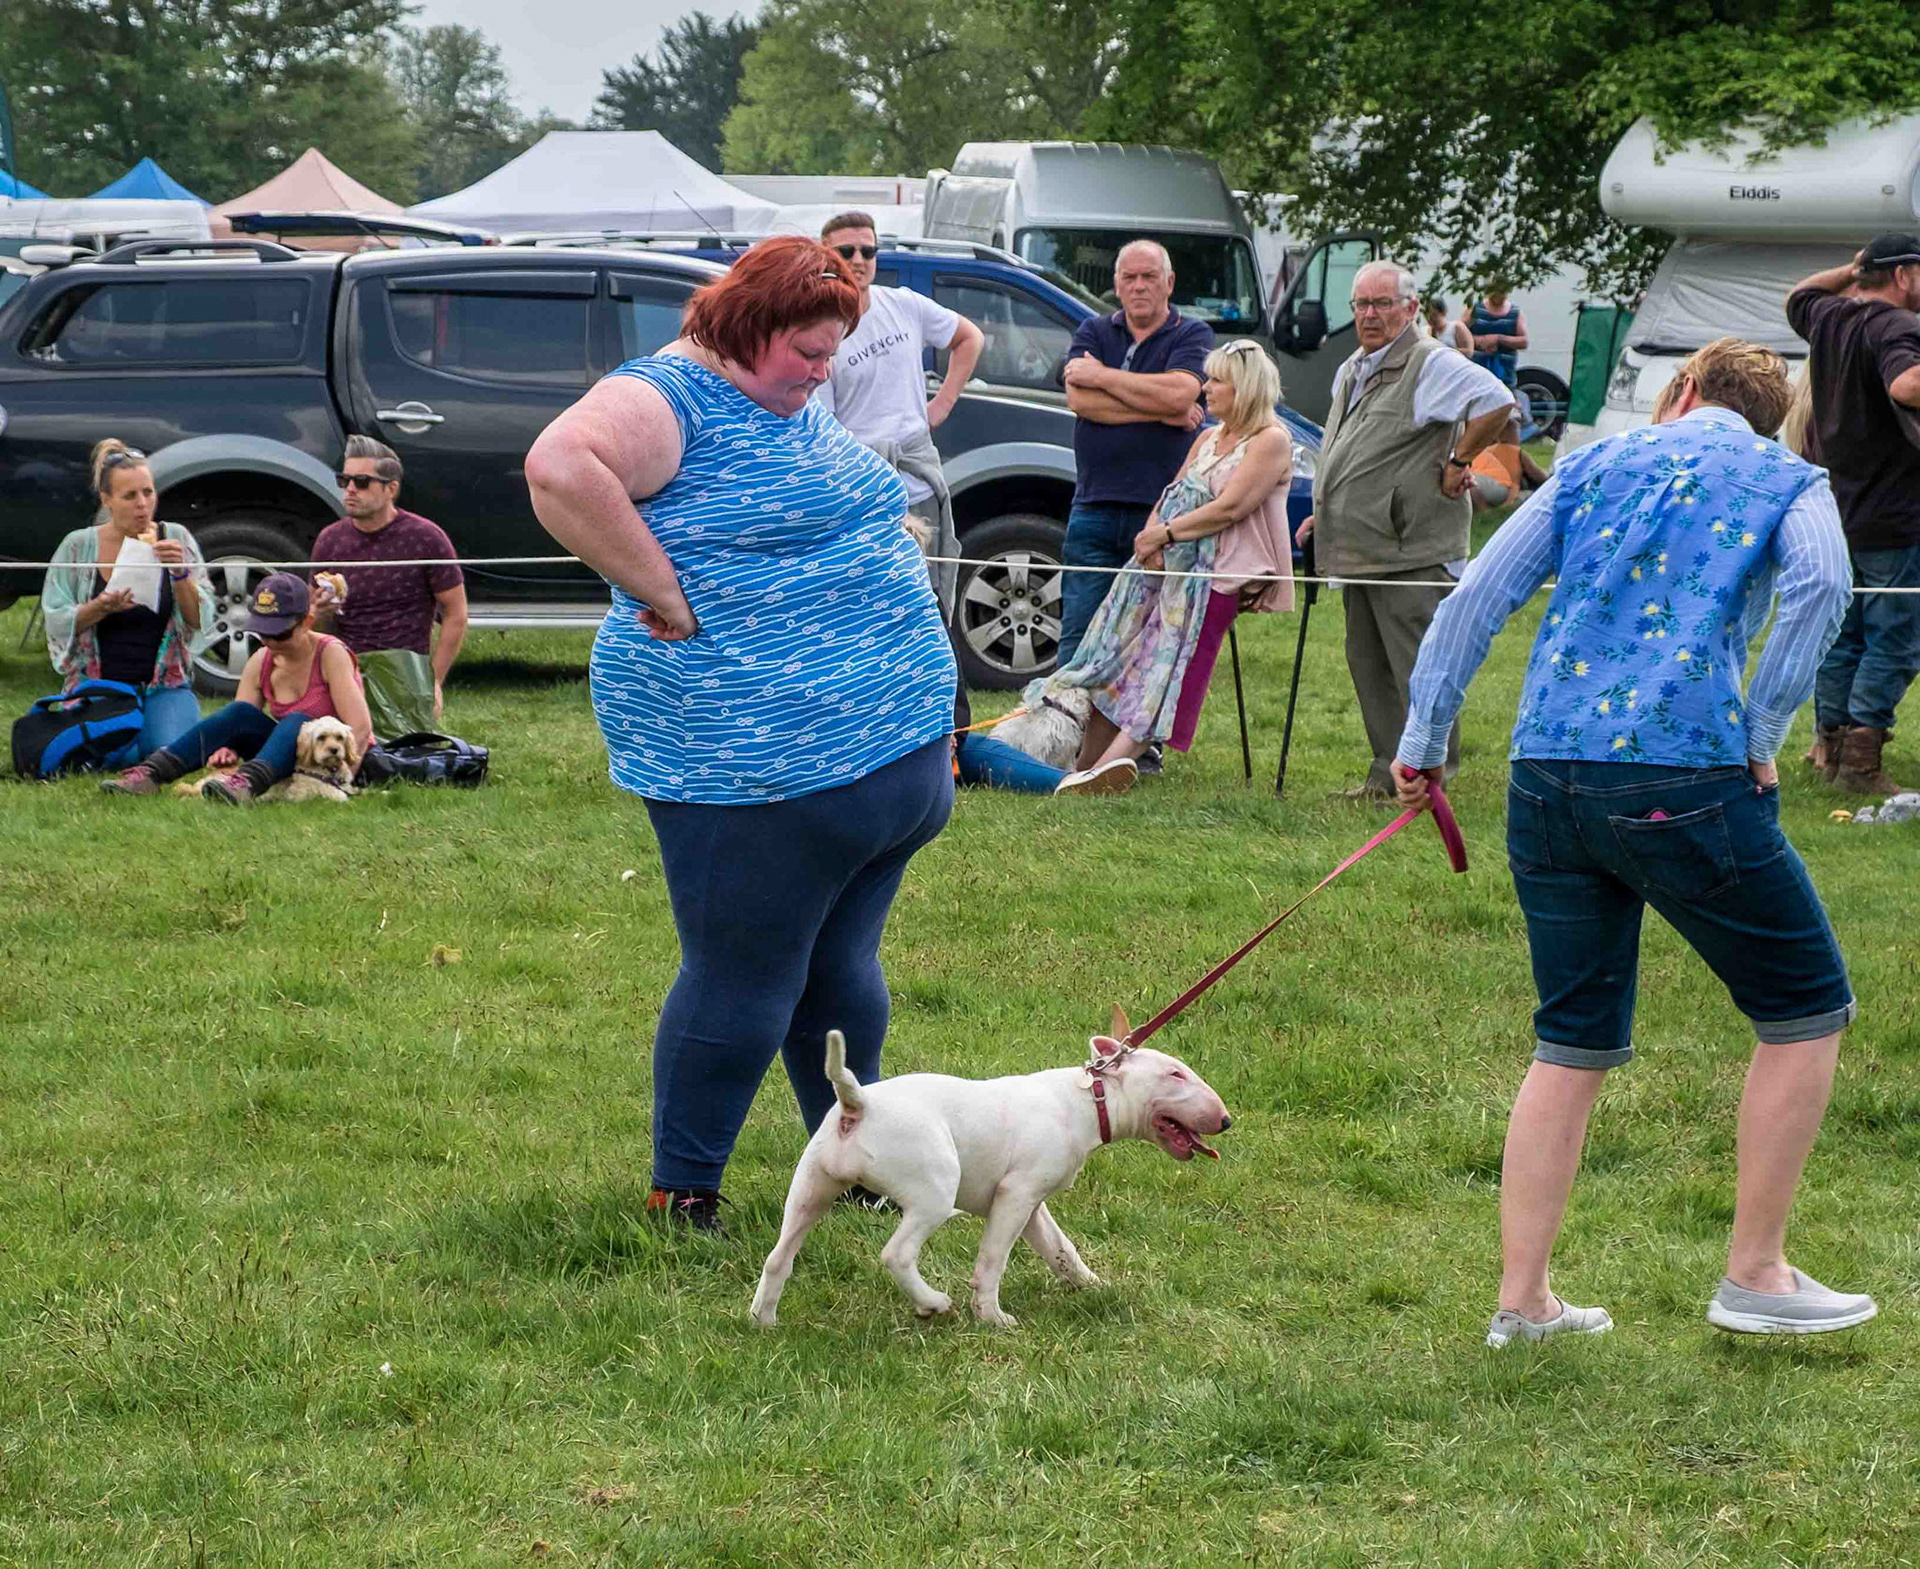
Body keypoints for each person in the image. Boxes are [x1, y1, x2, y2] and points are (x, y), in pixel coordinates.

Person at [1392, 337, 1874, 1346]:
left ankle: (1523, 1301)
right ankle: (1757, 1272)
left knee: (1570, 1036)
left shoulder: (1592, 463)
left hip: (1545, 775)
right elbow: (1824, 588)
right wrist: (1762, 730)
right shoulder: (1789, 478)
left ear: (1680, 389)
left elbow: (1476, 598)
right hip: (1682, 774)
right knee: (1806, 1007)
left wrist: (1423, 740)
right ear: (1770, 413)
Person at [524, 235, 956, 1231]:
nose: (822, 372)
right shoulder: (668, 399)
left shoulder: (783, 399)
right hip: (759, 766)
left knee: (839, 970)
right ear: (747, 325)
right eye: (806, 351)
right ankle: (684, 1194)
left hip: (886, 752)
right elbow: (559, 467)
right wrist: (660, 587)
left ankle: (855, 1162)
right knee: (744, 978)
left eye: (831, 352)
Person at [1299, 260, 1516, 802]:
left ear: (1411, 308)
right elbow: (1351, 453)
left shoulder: (1430, 362)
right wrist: (1327, 512)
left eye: (1382, 304)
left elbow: (1497, 401)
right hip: (1363, 548)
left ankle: (1429, 779)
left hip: (1410, 550)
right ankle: (1386, 775)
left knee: (1419, 668)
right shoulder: (1353, 367)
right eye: (1361, 305)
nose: (1369, 315)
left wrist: (1459, 460)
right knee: (1369, 665)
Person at [1040, 339, 1295, 793]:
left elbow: (1230, 508)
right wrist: (1150, 539)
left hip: (1219, 578)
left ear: (1244, 387)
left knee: (1164, 671)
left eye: (1216, 380)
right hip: (1165, 567)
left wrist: (1166, 534)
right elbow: (1171, 492)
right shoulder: (1207, 438)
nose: (1206, 388)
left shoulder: (1271, 440)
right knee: (1116, 660)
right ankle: (1082, 766)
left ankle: (1106, 772)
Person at [1788, 234, 1920, 795]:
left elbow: (1799, 295)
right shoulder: (1897, 326)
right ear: (1905, 275)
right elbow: (1906, 384)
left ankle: (1833, 751)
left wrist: (1853, 269)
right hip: (1895, 515)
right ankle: (1861, 764)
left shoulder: (1830, 319)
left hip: (1838, 512)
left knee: (1844, 636)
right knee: (1895, 637)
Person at [814, 213, 985, 615]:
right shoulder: (820, 329)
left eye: (868, 251)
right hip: (862, 493)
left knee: (931, 602)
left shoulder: (904, 304)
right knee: (873, 609)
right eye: (846, 251)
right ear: (825, 257)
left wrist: (941, 403)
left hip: (919, 483)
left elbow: (969, 337)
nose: (859, 260)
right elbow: (822, 430)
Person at [1058, 240, 1215, 667]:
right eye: (1129, 277)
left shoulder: (1192, 334)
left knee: (1149, 642)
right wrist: (1163, 413)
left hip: (1162, 514)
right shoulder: (1092, 331)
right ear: (1117, 285)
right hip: (1093, 507)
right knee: (1078, 637)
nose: (1139, 286)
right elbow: (1080, 401)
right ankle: (1064, 712)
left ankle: (1133, 716)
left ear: (1169, 283)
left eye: (1149, 277)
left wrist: (1102, 376)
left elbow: (1181, 392)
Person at [100, 573, 374, 805]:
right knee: (239, 711)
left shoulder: (330, 654)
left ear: (306, 623)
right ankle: (151, 773)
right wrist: (227, 748)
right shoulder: (261, 660)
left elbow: (360, 729)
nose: (270, 642)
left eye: (280, 633)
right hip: (285, 759)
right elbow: (240, 722)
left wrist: (342, 782)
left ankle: (245, 785)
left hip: (332, 762)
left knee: (298, 721)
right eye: (263, 632)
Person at [41, 440, 212, 764]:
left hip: (164, 684)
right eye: (130, 496)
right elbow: (56, 618)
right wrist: (99, 608)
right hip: (100, 686)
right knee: (110, 754)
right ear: (106, 499)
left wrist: (180, 573)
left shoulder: (176, 537)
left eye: (148, 492)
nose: (142, 505)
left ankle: (151, 731)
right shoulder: (77, 546)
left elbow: (199, 620)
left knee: (166, 754)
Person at [308, 436, 468, 726]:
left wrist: (433, 681)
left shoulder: (426, 538)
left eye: (362, 482)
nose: (350, 489)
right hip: (345, 669)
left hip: (405, 672)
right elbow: (312, 624)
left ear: (391, 489)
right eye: (344, 480)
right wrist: (319, 614)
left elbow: (456, 614)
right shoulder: (330, 541)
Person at [1469, 284, 1529, 388]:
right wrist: (1481, 341)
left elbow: (1524, 342)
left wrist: (1499, 339)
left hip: (1505, 377)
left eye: (1502, 292)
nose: (1498, 296)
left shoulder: (1515, 312)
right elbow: (1459, 334)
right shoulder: (1474, 309)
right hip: (1476, 376)